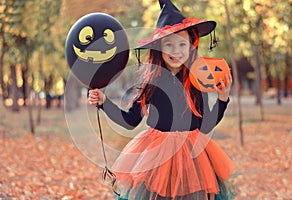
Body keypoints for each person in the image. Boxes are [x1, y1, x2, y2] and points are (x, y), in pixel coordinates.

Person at [88, 0, 234, 199]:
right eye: (169, 45)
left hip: (192, 158)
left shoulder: (197, 82)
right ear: (159, 49)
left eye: (182, 44)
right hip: (155, 157)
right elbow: (130, 121)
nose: (176, 51)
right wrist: (104, 102)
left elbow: (205, 124)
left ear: (192, 46)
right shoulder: (151, 85)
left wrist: (222, 99)